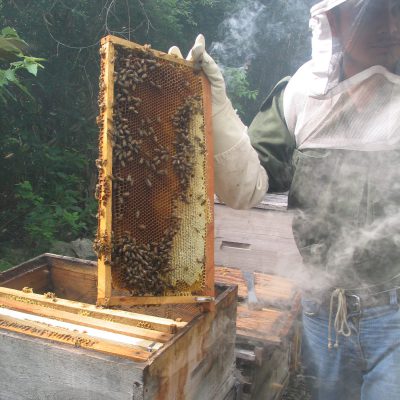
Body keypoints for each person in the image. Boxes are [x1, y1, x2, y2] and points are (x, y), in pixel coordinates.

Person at [170, 0, 400, 398]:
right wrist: (216, 105)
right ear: (333, 20)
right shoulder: (301, 92)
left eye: (398, 12)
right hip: (321, 313)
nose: (391, 26)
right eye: (376, 11)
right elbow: (245, 187)